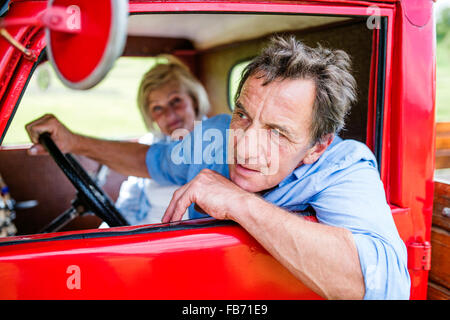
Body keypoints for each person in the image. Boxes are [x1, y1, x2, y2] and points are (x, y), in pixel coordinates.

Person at [25, 35, 410, 300]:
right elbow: (150, 161)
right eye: (244, 114)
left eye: (277, 131)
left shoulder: (343, 166)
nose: (244, 143)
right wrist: (74, 141)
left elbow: (384, 285)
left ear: (316, 146)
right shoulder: (214, 134)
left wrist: (238, 202)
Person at [111, 55, 210, 225]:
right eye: (157, 108)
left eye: (175, 101)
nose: (169, 115)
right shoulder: (149, 144)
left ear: (193, 100)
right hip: (141, 242)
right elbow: (127, 205)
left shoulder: (215, 143)